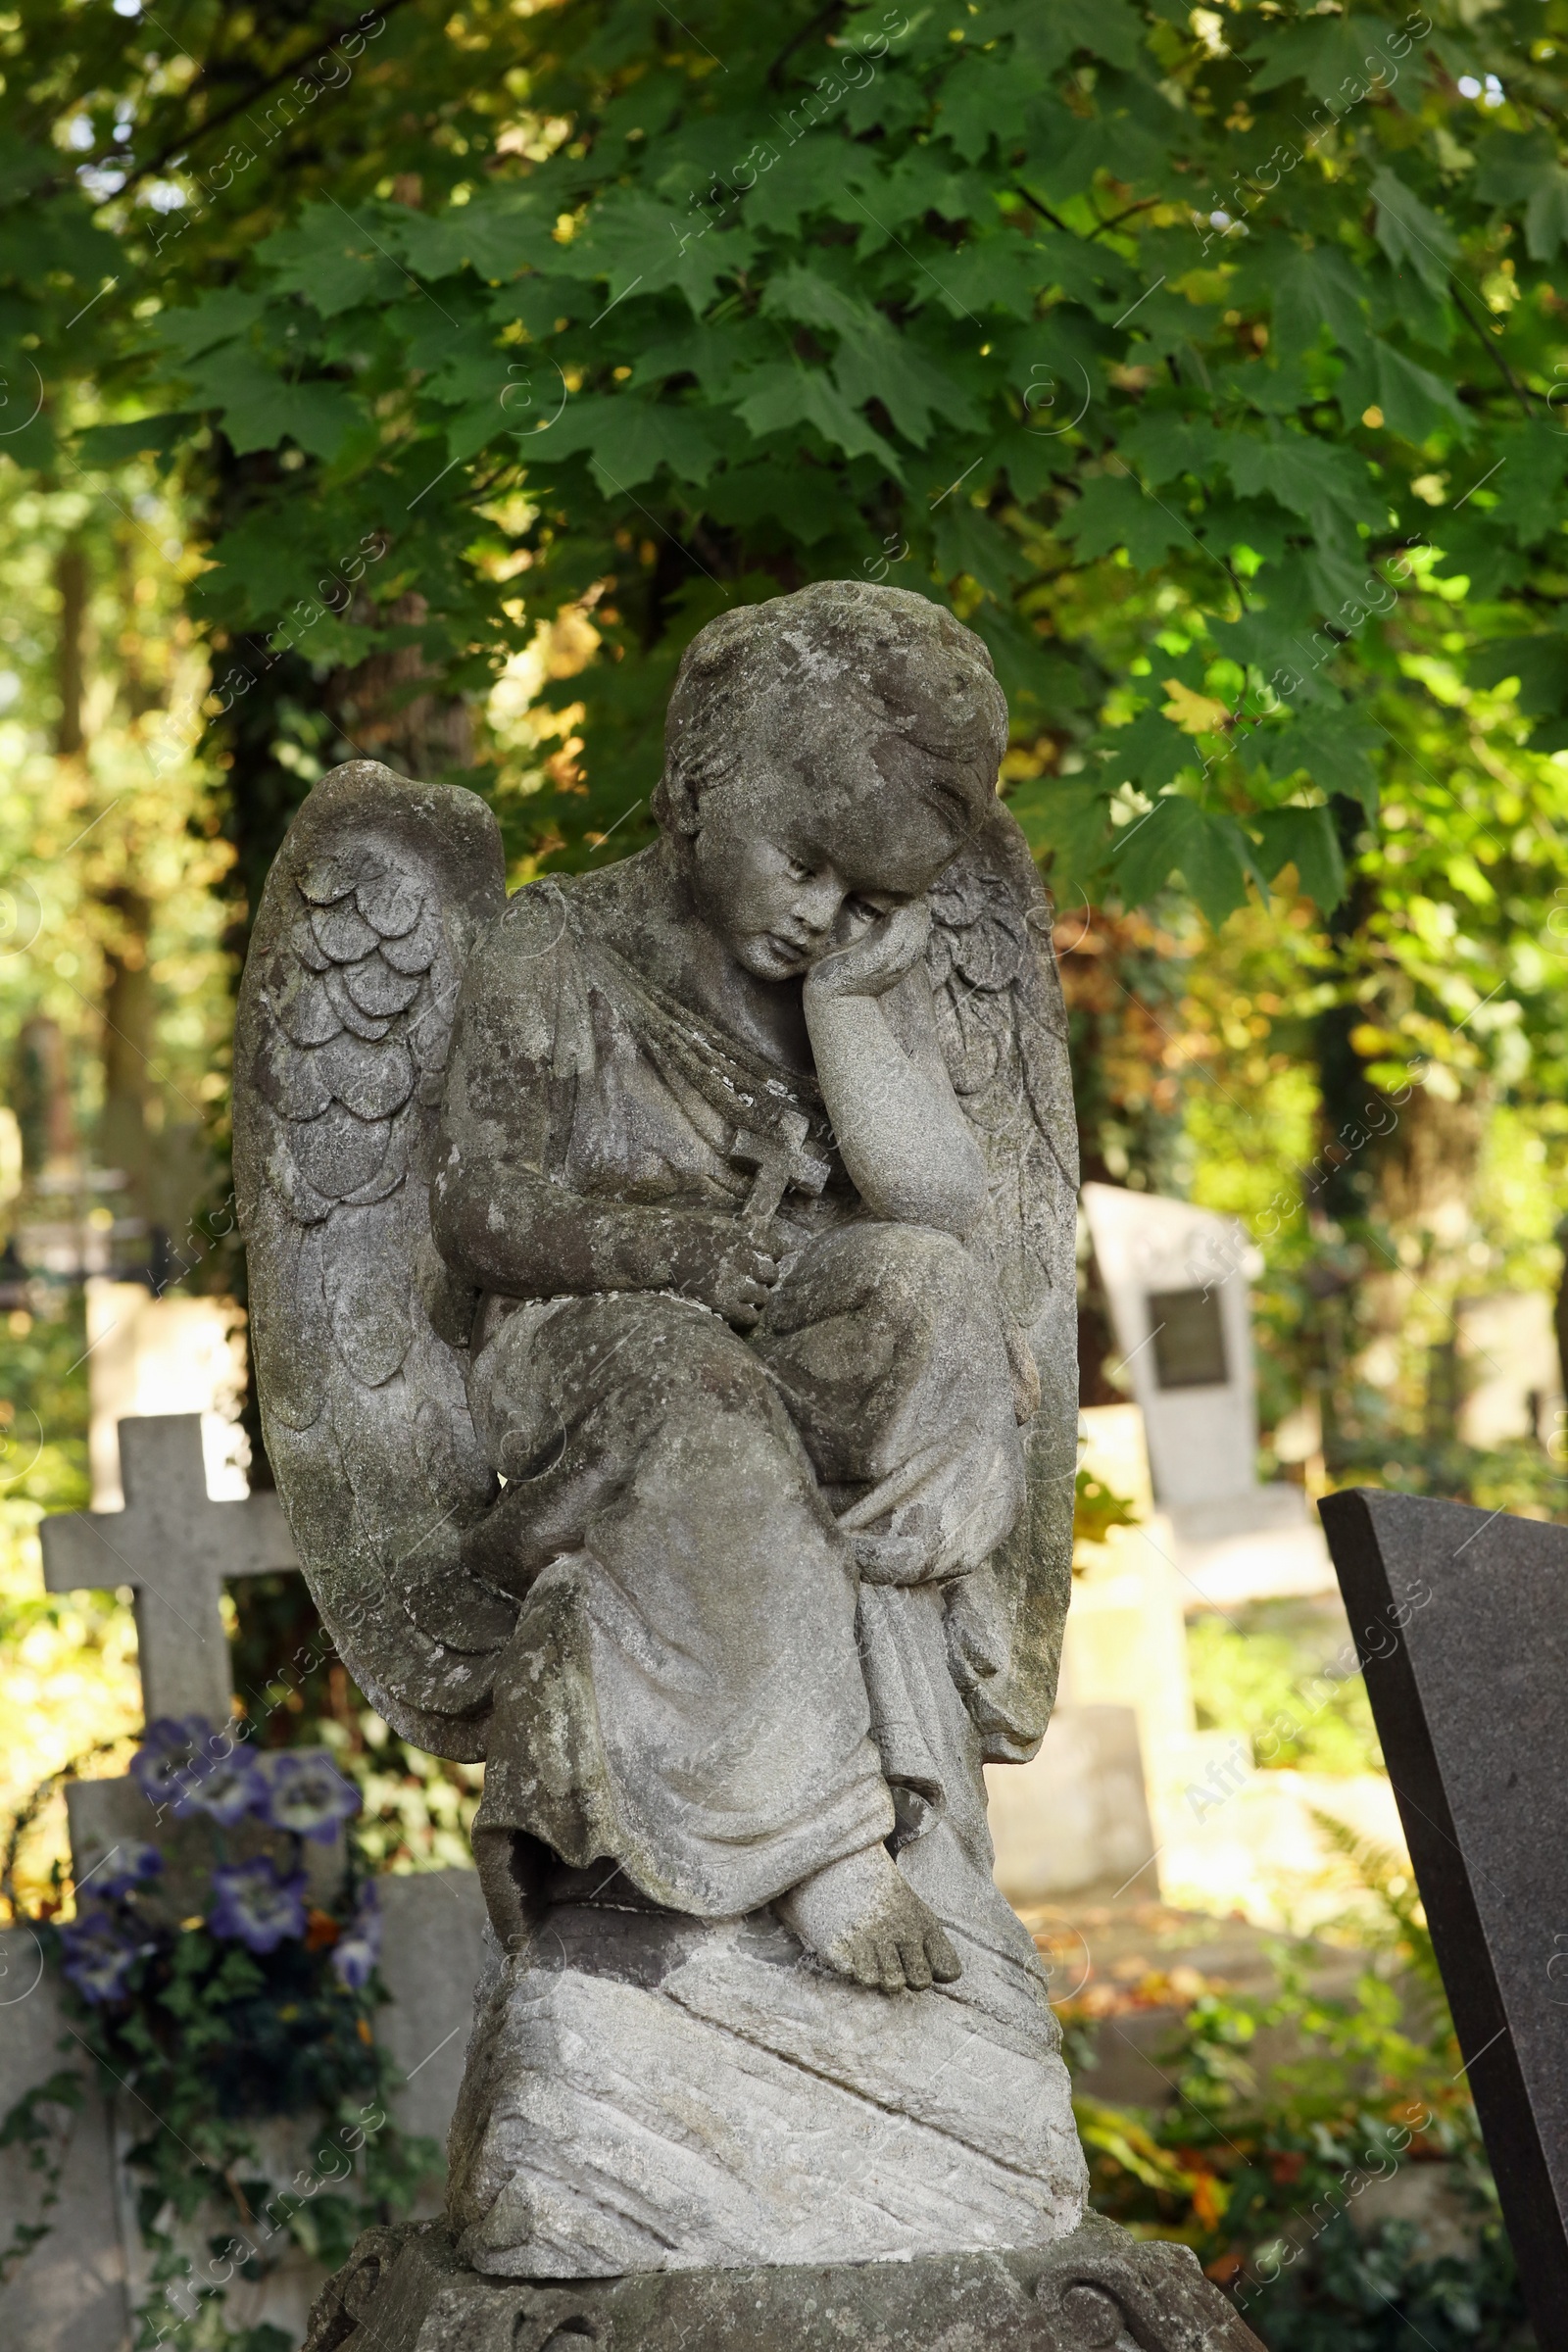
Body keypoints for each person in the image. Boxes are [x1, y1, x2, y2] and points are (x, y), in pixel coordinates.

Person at [431, 582, 1033, 1995]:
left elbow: (947, 1211)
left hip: (763, 1317)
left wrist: (846, 1012)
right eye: (809, 865)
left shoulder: (840, 984)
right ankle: (811, 1838)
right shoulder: (552, 949)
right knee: (697, 1392)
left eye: (874, 902)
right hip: (585, 1349)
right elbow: (479, 1210)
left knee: (930, 1292)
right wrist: (674, 1252)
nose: (825, 916)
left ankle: (899, 1648)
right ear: (703, 781)